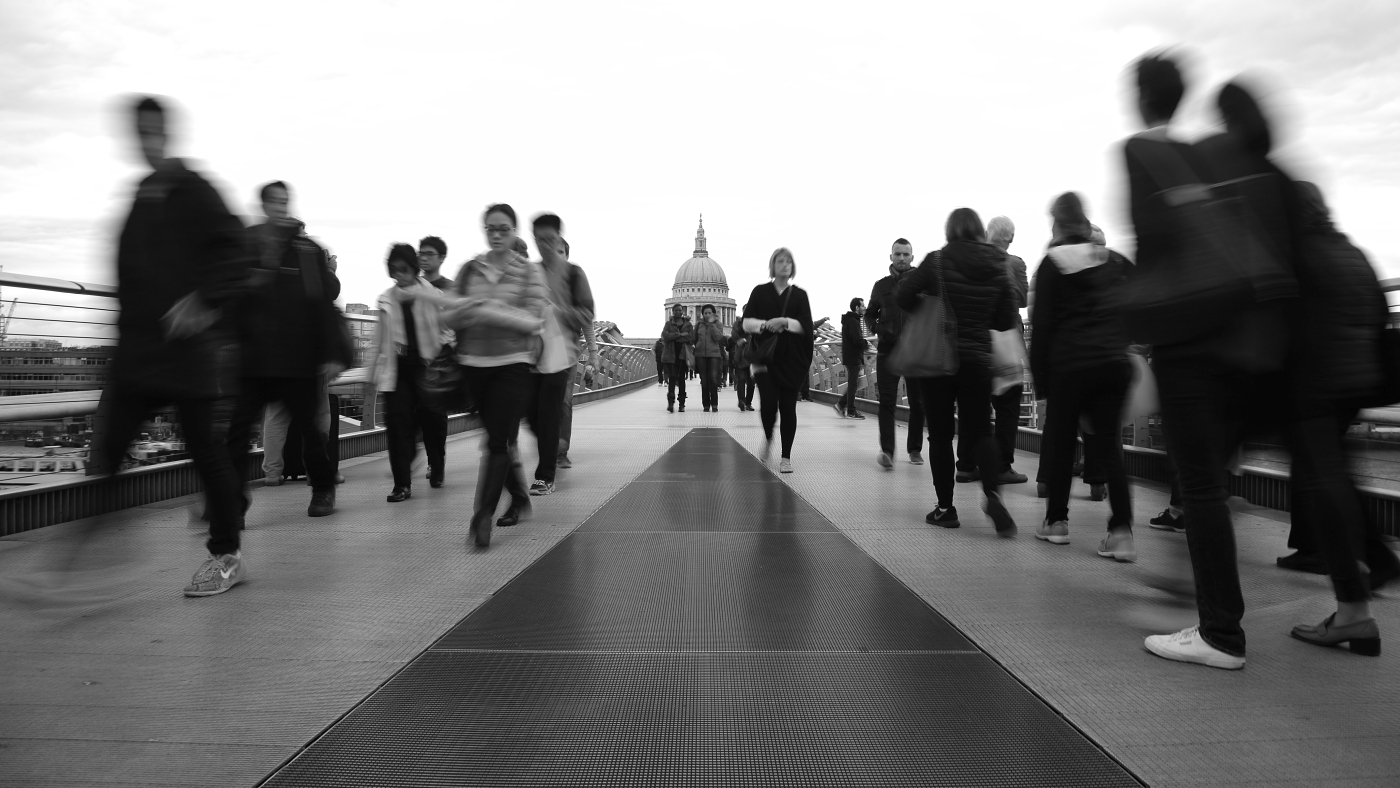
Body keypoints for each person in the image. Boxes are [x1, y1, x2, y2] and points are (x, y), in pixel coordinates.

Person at [1130, 59, 1300, 670]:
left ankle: (1220, 632)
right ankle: (1213, 617)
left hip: (1185, 340)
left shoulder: (1146, 153)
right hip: (1235, 341)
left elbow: (1153, 242)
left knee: (1198, 485)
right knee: (1209, 485)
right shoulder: (1222, 160)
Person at [80, 96, 251, 598]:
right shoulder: (141, 195)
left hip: (186, 351)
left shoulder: (192, 188)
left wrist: (203, 300)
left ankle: (226, 554)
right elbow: (129, 276)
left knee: (206, 451)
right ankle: (81, 557)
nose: (146, 140)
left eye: (153, 131)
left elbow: (235, 250)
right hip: (137, 353)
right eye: (139, 132)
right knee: (108, 450)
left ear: (167, 132)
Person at [1284, 181, 1399, 656]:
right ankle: (1373, 569)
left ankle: (1355, 609)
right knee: (1331, 479)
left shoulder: (1301, 254)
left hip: (1315, 384)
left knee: (1322, 487)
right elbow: (1377, 316)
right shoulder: (1350, 250)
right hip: (1355, 381)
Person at [226, 180, 343, 521]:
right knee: (236, 434)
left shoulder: (307, 251)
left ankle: (322, 488)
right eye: (273, 201)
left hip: (297, 359)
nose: (279, 206)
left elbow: (322, 302)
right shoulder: (248, 246)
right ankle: (231, 499)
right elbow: (232, 297)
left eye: (284, 200)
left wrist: (331, 352)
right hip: (254, 360)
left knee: (310, 430)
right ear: (263, 206)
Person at [897, 209, 1019, 536]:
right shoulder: (997, 263)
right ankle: (992, 494)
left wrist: (928, 305)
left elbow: (902, 296)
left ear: (950, 230)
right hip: (978, 360)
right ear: (980, 231)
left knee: (939, 434)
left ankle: (945, 509)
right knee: (981, 431)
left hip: (938, 360)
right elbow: (1006, 320)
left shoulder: (936, 261)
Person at [1028, 193, 1134, 559]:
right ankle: (1121, 532)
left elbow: (1040, 330)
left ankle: (1056, 522)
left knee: (1059, 445)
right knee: (1108, 447)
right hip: (1113, 365)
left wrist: (1042, 383)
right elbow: (1134, 310)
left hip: (1070, 367)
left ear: (1058, 224)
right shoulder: (1114, 260)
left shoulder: (1053, 263)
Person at [440, 204, 545, 547]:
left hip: (513, 364)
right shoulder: (470, 269)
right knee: (499, 439)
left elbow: (533, 320)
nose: (497, 235)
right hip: (473, 365)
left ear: (514, 231)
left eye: (503, 229)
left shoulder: (528, 272)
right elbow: (449, 314)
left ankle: (481, 517)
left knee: (496, 442)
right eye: (491, 229)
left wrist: (483, 309)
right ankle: (517, 495)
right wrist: (479, 311)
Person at [367, 244, 447, 502]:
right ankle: (401, 484)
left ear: (414, 269)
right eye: (394, 270)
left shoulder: (432, 294)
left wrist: (446, 352)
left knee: (432, 420)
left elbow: (448, 328)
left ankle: (437, 465)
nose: (399, 275)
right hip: (398, 368)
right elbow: (378, 339)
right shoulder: (387, 299)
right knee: (398, 423)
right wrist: (370, 371)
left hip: (427, 367)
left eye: (403, 269)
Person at [742, 248, 814, 473]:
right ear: (772, 266)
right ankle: (768, 436)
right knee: (768, 406)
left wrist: (784, 321)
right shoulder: (760, 292)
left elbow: (806, 326)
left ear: (793, 267)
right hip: (765, 358)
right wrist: (765, 324)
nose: (784, 265)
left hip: (792, 359)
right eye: (779, 261)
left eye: (788, 261)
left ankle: (786, 457)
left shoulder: (799, 295)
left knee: (788, 407)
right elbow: (745, 324)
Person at [975, 216, 1028, 484]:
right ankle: (1002, 466)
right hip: (1005, 339)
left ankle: (967, 464)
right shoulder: (1015, 263)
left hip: (977, 340)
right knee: (1008, 407)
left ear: (987, 234)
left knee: (977, 404)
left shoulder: (973, 261)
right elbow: (1022, 298)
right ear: (1010, 238)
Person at [867, 238, 926, 469]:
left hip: (915, 351)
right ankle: (888, 451)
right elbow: (870, 315)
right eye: (898, 254)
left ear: (912, 257)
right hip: (887, 351)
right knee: (887, 403)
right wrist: (878, 329)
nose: (901, 258)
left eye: (906, 254)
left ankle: (915, 449)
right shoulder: (881, 286)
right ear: (891, 257)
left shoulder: (922, 283)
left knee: (918, 403)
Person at [554, 237, 600, 470]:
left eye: (561, 251)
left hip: (567, 353)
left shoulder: (574, 284)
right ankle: (549, 447)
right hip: (539, 353)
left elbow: (587, 322)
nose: (556, 255)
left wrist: (593, 353)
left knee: (564, 402)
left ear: (567, 255)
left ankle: (561, 452)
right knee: (543, 404)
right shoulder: (535, 280)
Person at [413, 235, 454, 485]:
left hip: (439, 360)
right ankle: (415, 457)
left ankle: (436, 463)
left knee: (435, 415)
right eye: (421, 253)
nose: (424, 258)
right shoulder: (412, 286)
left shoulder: (449, 288)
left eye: (429, 254)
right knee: (413, 413)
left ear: (441, 258)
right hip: (413, 359)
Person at [835, 298, 867, 419]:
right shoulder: (853, 322)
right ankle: (851, 411)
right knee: (854, 383)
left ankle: (841, 404)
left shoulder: (849, 321)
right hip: (853, 356)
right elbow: (857, 340)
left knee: (855, 382)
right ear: (857, 308)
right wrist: (866, 344)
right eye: (863, 306)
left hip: (850, 355)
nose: (865, 308)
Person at [660, 304, 694, 412]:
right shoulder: (668, 324)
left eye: (680, 310)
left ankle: (682, 403)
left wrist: (674, 336)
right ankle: (671, 402)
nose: (678, 312)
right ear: (672, 311)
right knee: (672, 377)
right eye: (676, 310)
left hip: (683, 355)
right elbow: (665, 336)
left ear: (683, 311)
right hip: (671, 354)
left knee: (681, 379)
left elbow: (690, 337)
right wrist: (680, 335)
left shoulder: (688, 324)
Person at [694, 304, 727, 411]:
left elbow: (718, 338)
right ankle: (706, 405)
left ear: (713, 314)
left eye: (709, 313)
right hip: (700, 355)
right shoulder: (698, 324)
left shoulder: (718, 324)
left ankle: (714, 404)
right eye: (705, 313)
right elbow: (694, 338)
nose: (707, 315)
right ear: (702, 314)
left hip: (714, 355)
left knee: (713, 379)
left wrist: (712, 324)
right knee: (704, 381)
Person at [730, 315, 755, 411]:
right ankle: (742, 401)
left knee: (751, 382)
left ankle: (748, 402)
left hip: (753, 355)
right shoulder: (738, 324)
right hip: (741, 355)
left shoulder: (757, 323)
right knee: (741, 379)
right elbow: (734, 336)